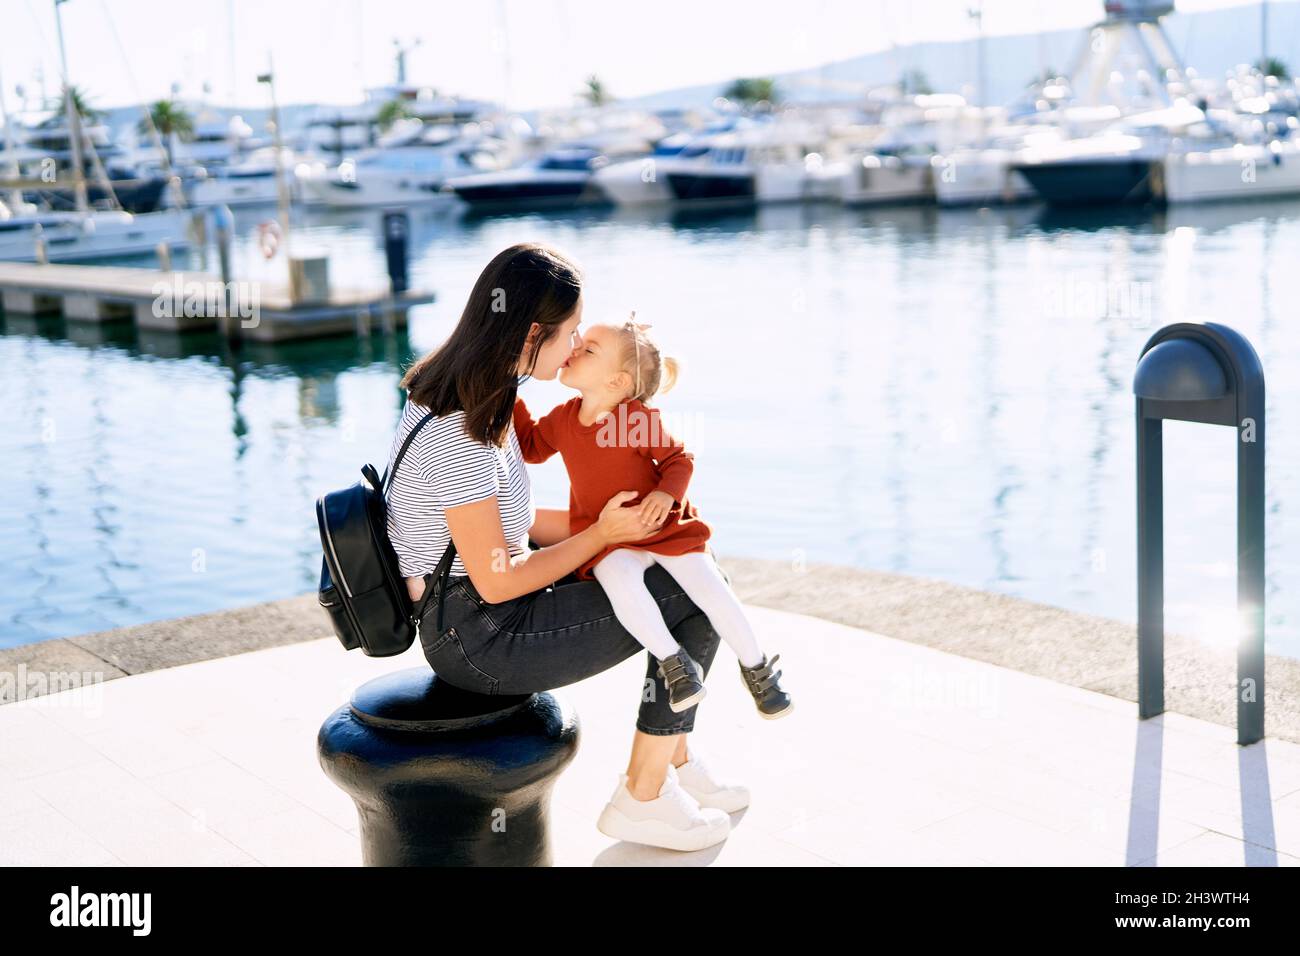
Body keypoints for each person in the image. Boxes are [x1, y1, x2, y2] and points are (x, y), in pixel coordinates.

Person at [385, 242, 748, 852]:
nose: (577, 344)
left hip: (473, 609)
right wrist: (602, 536)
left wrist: (633, 528)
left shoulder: (466, 394)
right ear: (532, 334)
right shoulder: (461, 428)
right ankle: (645, 793)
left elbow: (506, 528)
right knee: (694, 595)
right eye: (571, 332)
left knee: (685, 566)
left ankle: (673, 759)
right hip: (478, 638)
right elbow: (498, 580)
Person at [511, 316, 792, 719]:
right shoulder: (562, 419)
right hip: (610, 537)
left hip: (662, 529)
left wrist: (664, 493)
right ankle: (676, 664)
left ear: (618, 383)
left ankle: (758, 668)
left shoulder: (634, 420)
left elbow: (679, 459)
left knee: (708, 586)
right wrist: (508, 391)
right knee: (618, 582)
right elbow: (532, 447)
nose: (573, 349)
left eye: (588, 349)